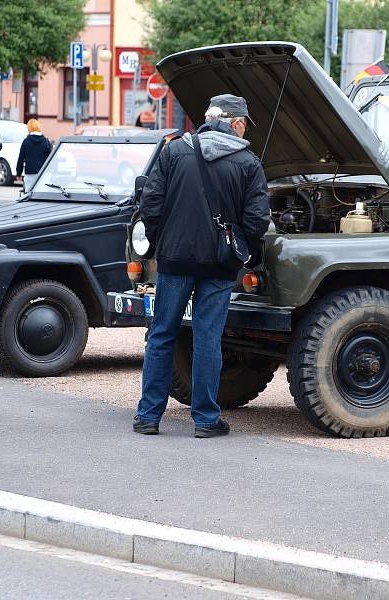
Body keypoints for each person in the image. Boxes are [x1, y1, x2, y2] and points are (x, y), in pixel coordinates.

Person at [134, 94, 270, 438]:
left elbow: (149, 203)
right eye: (244, 125)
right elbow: (256, 221)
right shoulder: (247, 161)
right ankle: (206, 421)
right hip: (219, 264)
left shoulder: (175, 150)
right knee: (208, 338)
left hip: (175, 259)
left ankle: (148, 416)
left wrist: (163, 240)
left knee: (162, 334)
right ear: (236, 122)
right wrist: (244, 253)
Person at [16, 119, 52, 191]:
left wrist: (19, 174)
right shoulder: (46, 141)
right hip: (43, 173)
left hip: (30, 173)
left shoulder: (26, 142)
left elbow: (21, 159)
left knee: (29, 195)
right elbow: (50, 158)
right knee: (42, 195)